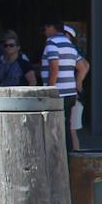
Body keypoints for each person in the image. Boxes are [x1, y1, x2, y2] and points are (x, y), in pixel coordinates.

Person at [41, 20, 80, 149]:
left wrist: (50, 90)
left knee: (53, 128)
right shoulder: (70, 44)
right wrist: (78, 83)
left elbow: (54, 67)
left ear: (51, 27)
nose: (44, 32)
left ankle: (58, 157)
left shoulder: (51, 42)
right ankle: (68, 156)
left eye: (45, 28)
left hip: (58, 93)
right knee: (66, 127)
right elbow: (84, 66)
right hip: (70, 92)